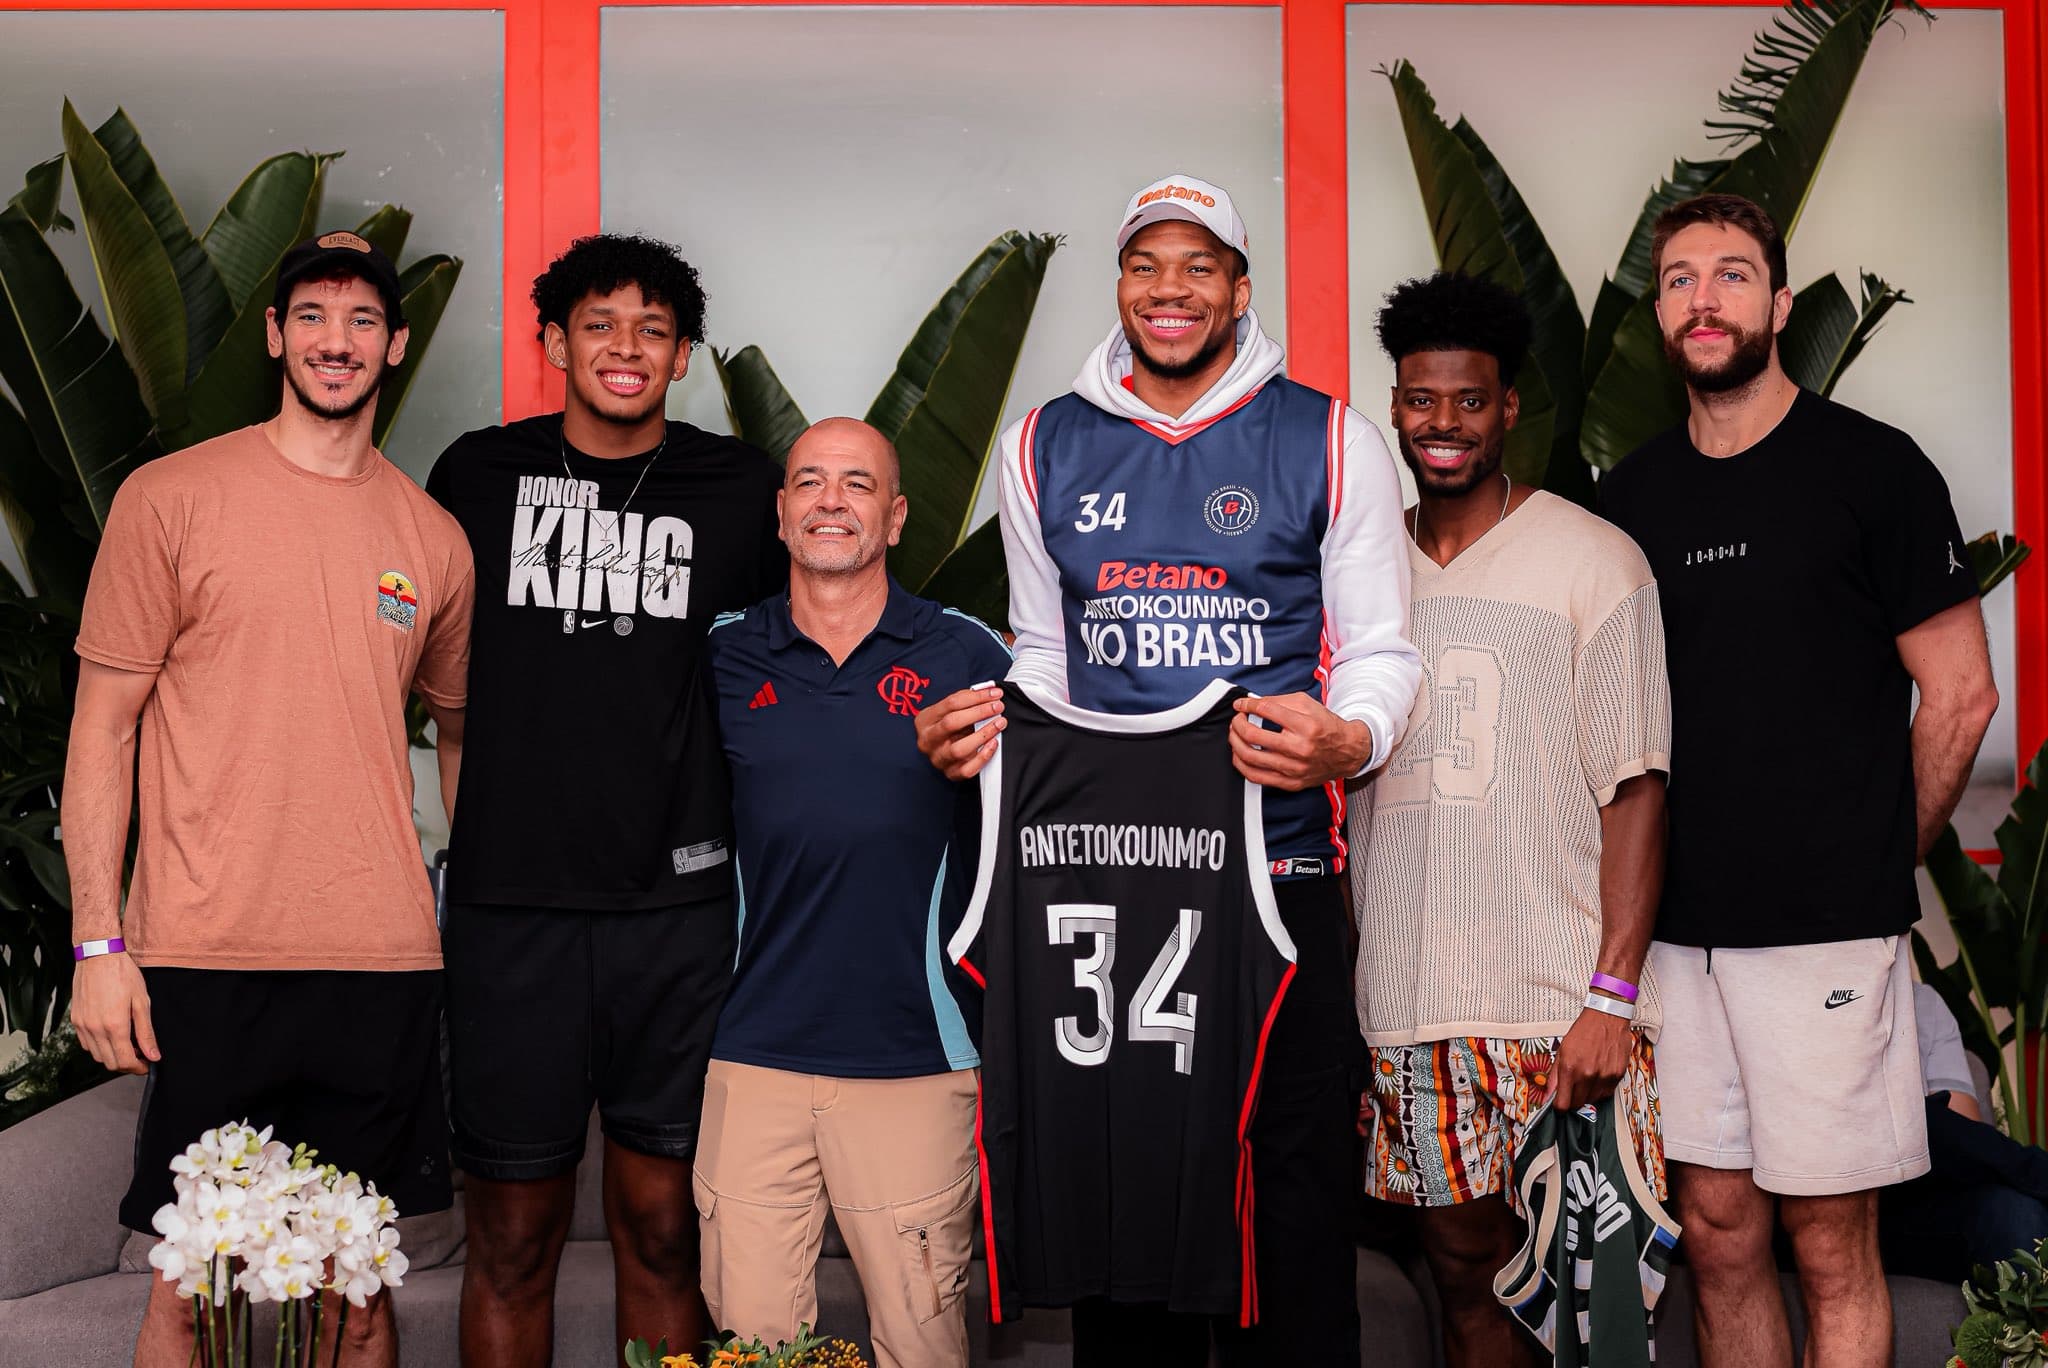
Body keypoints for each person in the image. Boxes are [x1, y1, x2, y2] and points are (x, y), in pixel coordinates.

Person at [917, 173, 1419, 1366]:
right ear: (1120, 285)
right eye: (1146, 264)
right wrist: (983, 731)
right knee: (1123, 1204)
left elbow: (1385, 650)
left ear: (1240, 290)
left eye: (1199, 266)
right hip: (1109, 881)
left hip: (1278, 869)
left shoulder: (1329, 438)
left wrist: (1351, 741)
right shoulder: (1045, 441)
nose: (1169, 289)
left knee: (1289, 1212)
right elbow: (1044, 650)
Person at [1600, 192, 2000, 1368]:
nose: (1702, 297)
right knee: (1720, 1238)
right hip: (1675, 939)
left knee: (1830, 1243)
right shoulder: (1629, 501)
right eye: (1677, 278)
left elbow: (1960, 694)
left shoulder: (1869, 471)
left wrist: (1873, 861)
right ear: (1657, 315)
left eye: (1730, 274)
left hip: (1825, 936)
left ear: (1777, 303)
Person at [65, 231, 473, 1368]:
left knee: (358, 1296)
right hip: (206, 951)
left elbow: (461, 731)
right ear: (274, 335)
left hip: (382, 960)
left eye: (358, 322)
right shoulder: (173, 498)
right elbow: (101, 729)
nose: (334, 342)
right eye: (310, 317)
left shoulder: (431, 541)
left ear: (394, 345)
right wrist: (100, 939)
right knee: (188, 1289)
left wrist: (472, 906)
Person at [424, 233, 784, 1365]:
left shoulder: (741, 489)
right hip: (508, 913)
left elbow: (813, 651)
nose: (625, 348)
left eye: (652, 331)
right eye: (599, 324)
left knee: (664, 1231)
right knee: (515, 1238)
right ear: (551, 343)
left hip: (678, 916)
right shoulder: (474, 475)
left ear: (681, 358)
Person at [1354, 271, 1672, 1367]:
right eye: (1419, 400)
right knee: (1462, 1276)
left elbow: (1633, 787)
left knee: (1596, 1305)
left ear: (1508, 409)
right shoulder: (1351, 576)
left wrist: (1610, 996)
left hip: (1553, 1007)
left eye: (1468, 401)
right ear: (1393, 407)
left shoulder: (1594, 560)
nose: (1443, 424)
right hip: (1405, 1004)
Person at [696, 417, 1009, 1367]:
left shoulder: (969, 656)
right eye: (812, 483)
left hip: (917, 1059)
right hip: (752, 1059)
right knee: (751, 1349)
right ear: (782, 513)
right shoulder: (718, 655)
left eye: (859, 485)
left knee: (922, 1347)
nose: (833, 500)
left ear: (899, 515)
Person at [1876, 985, 2048, 1281]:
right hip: (1820, 1208)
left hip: (1915, 1206)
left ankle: (2028, 1325)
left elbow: (1962, 1136)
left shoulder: (1921, 1001)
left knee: (2014, 1212)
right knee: (1903, 1115)